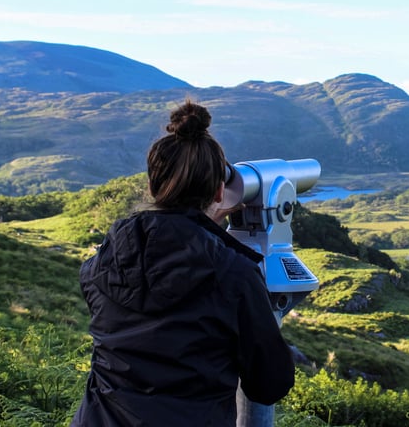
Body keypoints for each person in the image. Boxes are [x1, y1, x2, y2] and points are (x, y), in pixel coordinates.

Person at [71, 100, 295, 426]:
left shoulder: (102, 264)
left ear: (151, 186)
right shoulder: (235, 276)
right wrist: (212, 236)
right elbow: (269, 384)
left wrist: (202, 231)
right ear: (220, 192)